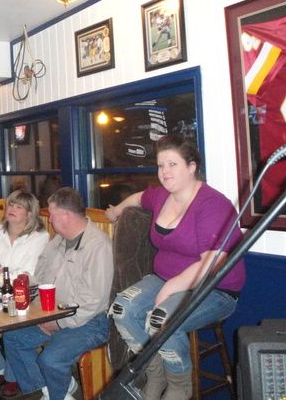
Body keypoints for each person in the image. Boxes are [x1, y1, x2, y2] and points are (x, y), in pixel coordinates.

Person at [105, 134, 245, 400]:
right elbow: (139, 197)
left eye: (172, 164)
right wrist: (117, 210)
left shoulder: (213, 204)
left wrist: (171, 287)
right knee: (122, 309)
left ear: (192, 166)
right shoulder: (161, 196)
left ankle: (179, 383)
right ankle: (153, 372)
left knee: (161, 320)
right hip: (164, 278)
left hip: (214, 288)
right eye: (161, 165)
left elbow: (213, 262)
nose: (165, 172)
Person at [3, 187, 113, 400]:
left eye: (52, 214)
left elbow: (93, 303)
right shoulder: (58, 241)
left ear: (66, 215)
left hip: (91, 321)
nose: (50, 220)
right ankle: (51, 390)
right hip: (54, 312)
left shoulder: (98, 247)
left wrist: (59, 323)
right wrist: (23, 285)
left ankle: (57, 392)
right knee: (13, 338)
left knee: (51, 360)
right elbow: (40, 276)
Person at [0, 190, 50, 396]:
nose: (12, 209)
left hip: (22, 295)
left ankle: (12, 375)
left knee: (12, 326)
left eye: (19, 206)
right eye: (10, 205)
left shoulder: (40, 237)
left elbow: (28, 272)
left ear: (30, 213)